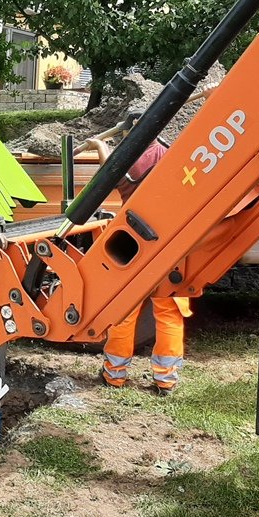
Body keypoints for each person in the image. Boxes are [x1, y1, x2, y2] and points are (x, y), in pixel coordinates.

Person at [86, 138, 192, 396]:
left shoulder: (130, 158)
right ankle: (166, 380)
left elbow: (108, 177)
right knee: (169, 311)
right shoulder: (172, 155)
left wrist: (100, 146)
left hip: (131, 243)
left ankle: (114, 375)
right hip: (170, 242)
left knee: (123, 311)